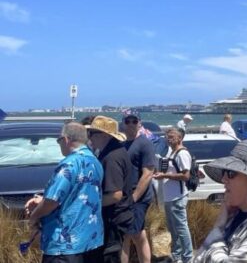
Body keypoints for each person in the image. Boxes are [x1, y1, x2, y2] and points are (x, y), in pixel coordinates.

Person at [25, 122, 104, 262]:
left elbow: (51, 202)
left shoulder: (69, 164)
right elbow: (78, 193)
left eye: (59, 140)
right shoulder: (95, 162)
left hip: (65, 245)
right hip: (91, 240)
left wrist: (34, 216)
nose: (59, 144)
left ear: (66, 139)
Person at [87, 116, 136, 263]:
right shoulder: (114, 151)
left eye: (92, 134)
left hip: (114, 218)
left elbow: (115, 195)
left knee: (110, 256)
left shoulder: (111, 157)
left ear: (104, 135)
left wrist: (89, 206)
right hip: (118, 216)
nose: (89, 138)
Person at [153, 127, 193, 263]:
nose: (168, 138)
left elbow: (186, 175)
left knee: (181, 228)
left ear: (180, 138)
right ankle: (176, 256)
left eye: (171, 136)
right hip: (170, 196)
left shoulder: (182, 154)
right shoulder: (172, 152)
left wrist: (165, 175)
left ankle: (187, 258)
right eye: (167, 136)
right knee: (173, 228)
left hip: (178, 197)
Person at [121, 112, 156, 263]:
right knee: (138, 234)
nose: (130, 124)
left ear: (139, 123)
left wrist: (134, 197)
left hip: (138, 198)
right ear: (123, 123)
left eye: (134, 121)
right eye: (127, 121)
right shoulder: (123, 144)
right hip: (126, 196)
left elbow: (148, 173)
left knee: (126, 235)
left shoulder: (144, 143)